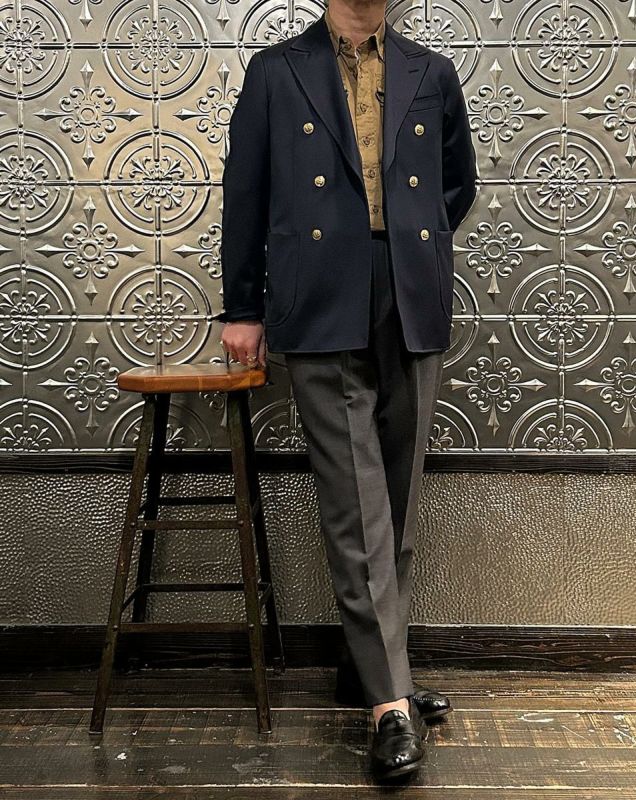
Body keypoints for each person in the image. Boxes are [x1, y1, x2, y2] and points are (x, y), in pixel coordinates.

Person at [217, 0, 477, 781]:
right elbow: (245, 196)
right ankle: (389, 706)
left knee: (395, 501)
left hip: (410, 292)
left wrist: (414, 248)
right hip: (319, 296)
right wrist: (243, 307)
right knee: (355, 503)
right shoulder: (275, 72)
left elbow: (456, 185)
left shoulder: (431, 71)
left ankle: (371, 666)